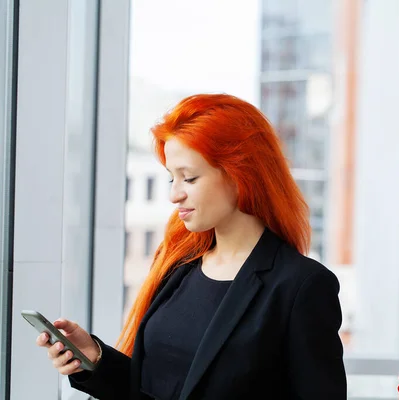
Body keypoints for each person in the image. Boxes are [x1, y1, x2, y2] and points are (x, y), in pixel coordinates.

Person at [36, 94, 347, 399]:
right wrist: (95, 358)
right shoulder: (179, 267)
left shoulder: (301, 285)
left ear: (241, 175)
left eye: (190, 178)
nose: (175, 195)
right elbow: (151, 388)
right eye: (172, 178)